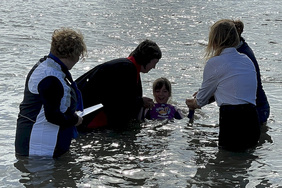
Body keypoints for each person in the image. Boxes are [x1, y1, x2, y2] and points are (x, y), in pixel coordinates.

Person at [186, 19, 261, 151]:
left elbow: (201, 101)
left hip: (232, 121)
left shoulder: (214, 63)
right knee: (245, 165)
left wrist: (192, 103)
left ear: (214, 41)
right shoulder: (246, 60)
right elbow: (234, 88)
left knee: (225, 166)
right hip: (253, 119)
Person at [15, 28, 87, 158]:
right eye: (79, 56)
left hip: (37, 142)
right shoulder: (51, 77)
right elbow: (53, 116)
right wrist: (75, 119)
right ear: (73, 54)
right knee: (45, 176)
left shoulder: (46, 65)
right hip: (39, 148)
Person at [75, 39, 162, 130]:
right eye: (154, 63)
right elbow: (118, 101)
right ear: (146, 58)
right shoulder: (126, 68)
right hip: (90, 118)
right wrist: (141, 102)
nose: (154, 67)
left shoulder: (128, 66)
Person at [233, 20, 270, 126]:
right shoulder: (241, 48)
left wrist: (201, 100)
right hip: (257, 107)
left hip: (256, 109)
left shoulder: (241, 56)